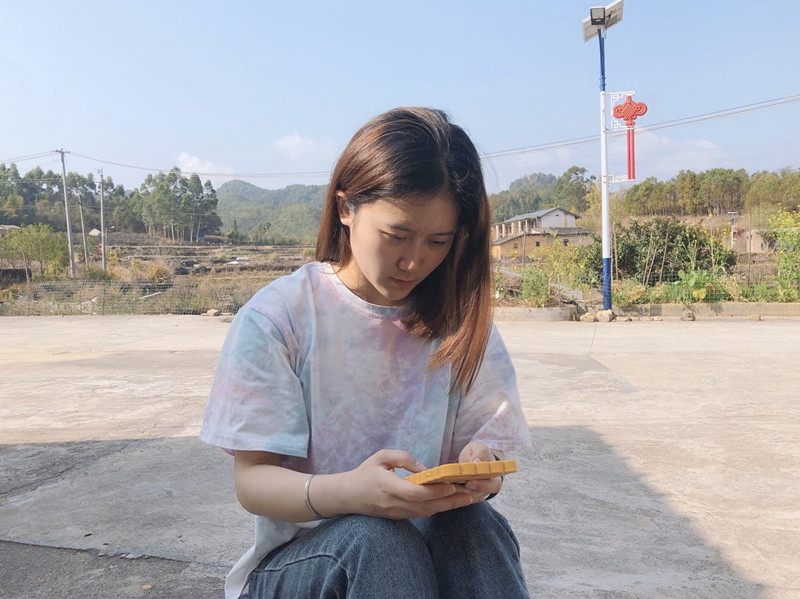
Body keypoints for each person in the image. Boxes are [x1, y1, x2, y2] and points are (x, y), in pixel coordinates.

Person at [200, 107, 532, 599]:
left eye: (438, 241)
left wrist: (484, 470)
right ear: (346, 208)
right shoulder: (281, 317)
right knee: (375, 538)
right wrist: (351, 494)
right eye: (396, 236)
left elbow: (490, 449)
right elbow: (252, 482)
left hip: (419, 555)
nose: (414, 261)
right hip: (304, 565)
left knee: (476, 526)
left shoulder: (460, 323)